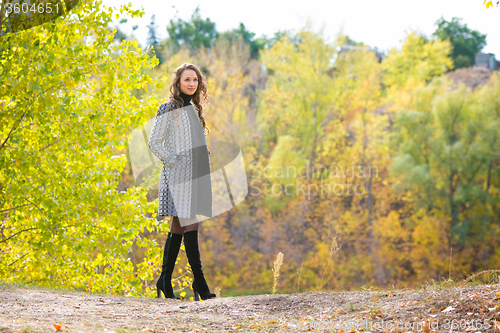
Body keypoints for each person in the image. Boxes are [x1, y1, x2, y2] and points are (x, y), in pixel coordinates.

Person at [148, 63, 215, 301]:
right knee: (191, 223)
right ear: (178, 83)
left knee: (178, 227)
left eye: (195, 80)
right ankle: (200, 282)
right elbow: (154, 143)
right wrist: (174, 160)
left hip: (195, 176)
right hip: (177, 176)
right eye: (187, 79)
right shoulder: (168, 108)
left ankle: (164, 280)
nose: (191, 84)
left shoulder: (194, 109)